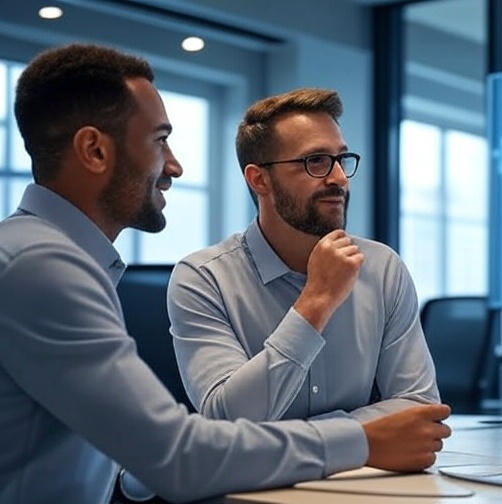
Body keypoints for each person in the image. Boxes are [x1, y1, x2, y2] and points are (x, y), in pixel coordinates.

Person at [0, 43, 451, 504]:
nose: (174, 165)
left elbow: (152, 455)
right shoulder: (40, 267)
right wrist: (364, 439)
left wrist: (293, 435)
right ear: (94, 150)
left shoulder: (46, 258)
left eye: (341, 159)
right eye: (159, 140)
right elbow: (179, 455)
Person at [167, 88, 440, 426]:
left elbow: (420, 407)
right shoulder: (202, 279)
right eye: (316, 161)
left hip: (345, 466)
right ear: (259, 179)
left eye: (341, 159)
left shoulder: (382, 268)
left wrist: (291, 438)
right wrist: (316, 301)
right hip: (297, 468)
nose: (339, 178)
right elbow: (228, 420)